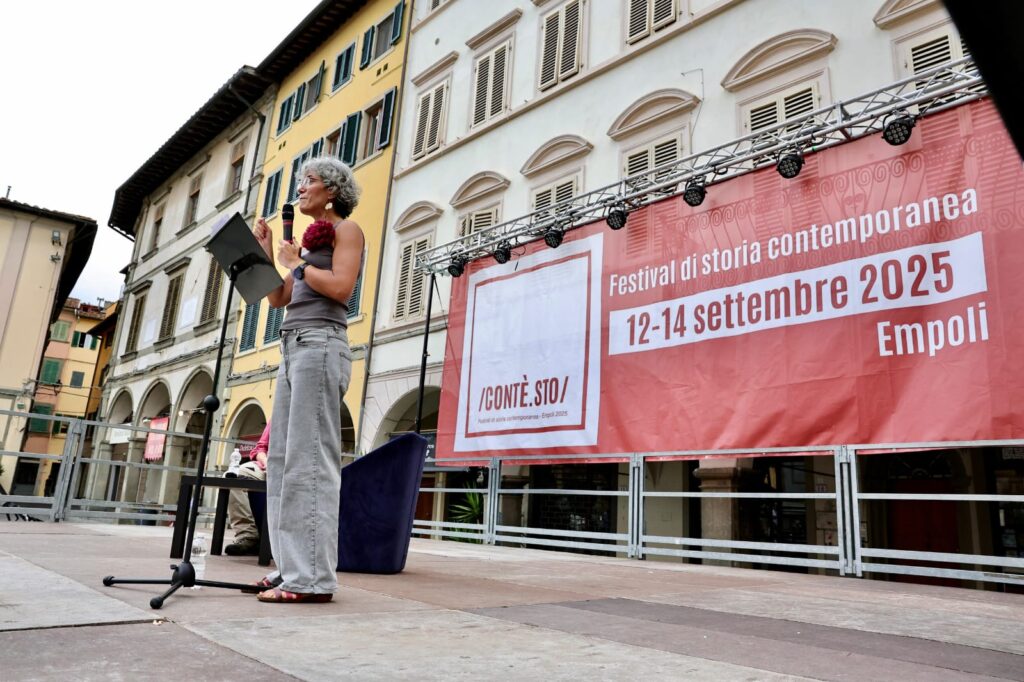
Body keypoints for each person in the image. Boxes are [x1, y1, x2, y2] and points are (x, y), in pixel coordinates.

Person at [251, 156, 363, 603]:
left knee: (309, 462)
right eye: (300, 182)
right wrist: (264, 254)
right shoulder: (301, 246)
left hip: (321, 342)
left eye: (309, 181)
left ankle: (312, 579)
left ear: (332, 190)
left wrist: (297, 262)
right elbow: (279, 297)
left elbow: (340, 289)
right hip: (292, 344)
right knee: (280, 461)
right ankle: (289, 569)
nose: (301, 188)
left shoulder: (346, 231)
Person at [224, 421, 270, 556]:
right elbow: (261, 448)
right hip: (268, 465)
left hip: (297, 470)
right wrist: (268, 464)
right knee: (235, 476)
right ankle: (248, 536)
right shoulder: (278, 415)